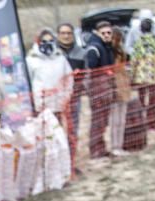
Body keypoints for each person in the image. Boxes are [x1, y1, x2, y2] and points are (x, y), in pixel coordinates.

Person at [84, 20, 116, 159]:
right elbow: (91, 68)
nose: (107, 35)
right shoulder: (94, 48)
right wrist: (103, 74)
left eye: (109, 32)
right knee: (98, 120)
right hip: (98, 90)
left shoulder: (107, 46)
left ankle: (101, 148)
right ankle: (95, 150)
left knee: (103, 121)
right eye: (103, 33)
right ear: (98, 33)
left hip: (106, 88)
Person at [56, 22, 87, 161]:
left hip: (75, 96)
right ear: (58, 35)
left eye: (69, 33)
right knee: (57, 129)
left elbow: (88, 74)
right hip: (56, 97)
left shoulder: (81, 52)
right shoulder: (54, 53)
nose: (66, 36)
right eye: (63, 33)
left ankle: (72, 159)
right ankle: (60, 159)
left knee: (73, 128)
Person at [26, 28, 72, 116]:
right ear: (38, 42)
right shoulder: (31, 60)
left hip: (60, 104)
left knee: (60, 128)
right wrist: (36, 102)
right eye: (44, 41)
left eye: (51, 40)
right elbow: (29, 82)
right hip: (42, 107)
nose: (47, 43)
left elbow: (69, 78)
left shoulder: (60, 58)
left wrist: (66, 96)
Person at [131, 18, 155, 130]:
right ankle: (153, 123)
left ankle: (143, 123)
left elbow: (134, 61)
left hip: (140, 77)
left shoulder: (138, 44)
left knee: (142, 101)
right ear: (152, 29)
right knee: (153, 100)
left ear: (140, 29)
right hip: (154, 77)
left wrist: (132, 77)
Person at [108, 27, 131, 157]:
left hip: (123, 85)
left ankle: (119, 145)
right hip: (116, 86)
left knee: (121, 119)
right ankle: (114, 145)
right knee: (115, 120)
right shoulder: (110, 53)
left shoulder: (121, 51)